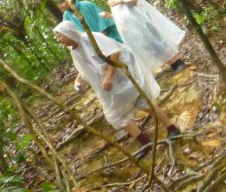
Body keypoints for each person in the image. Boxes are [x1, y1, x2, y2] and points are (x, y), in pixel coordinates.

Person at [52, 20, 180, 157]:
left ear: (69, 33)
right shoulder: (74, 51)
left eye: (59, 35)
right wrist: (78, 81)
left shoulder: (91, 38)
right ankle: (147, 141)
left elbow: (115, 52)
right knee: (118, 115)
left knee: (138, 106)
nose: (57, 39)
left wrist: (108, 75)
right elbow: (84, 67)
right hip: (110, 89)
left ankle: (170, 129)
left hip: (122, 79)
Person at [95, 0, 187, 75]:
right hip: (134, 30)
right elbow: (123, 15)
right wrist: (110, 16)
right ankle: (173, 65)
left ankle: (179, 63)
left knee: (159, 44)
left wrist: (120, 1)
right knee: (153, 49)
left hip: (143, 24)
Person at [57, 0, 122, 92]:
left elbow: (103, 22)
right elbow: (71, 34)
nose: (60, 6)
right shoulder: (66, 16)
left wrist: (99, 41)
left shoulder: (86, 5)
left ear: (69, 0)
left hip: (106, 42)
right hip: (89, 47)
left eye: (62, 2)